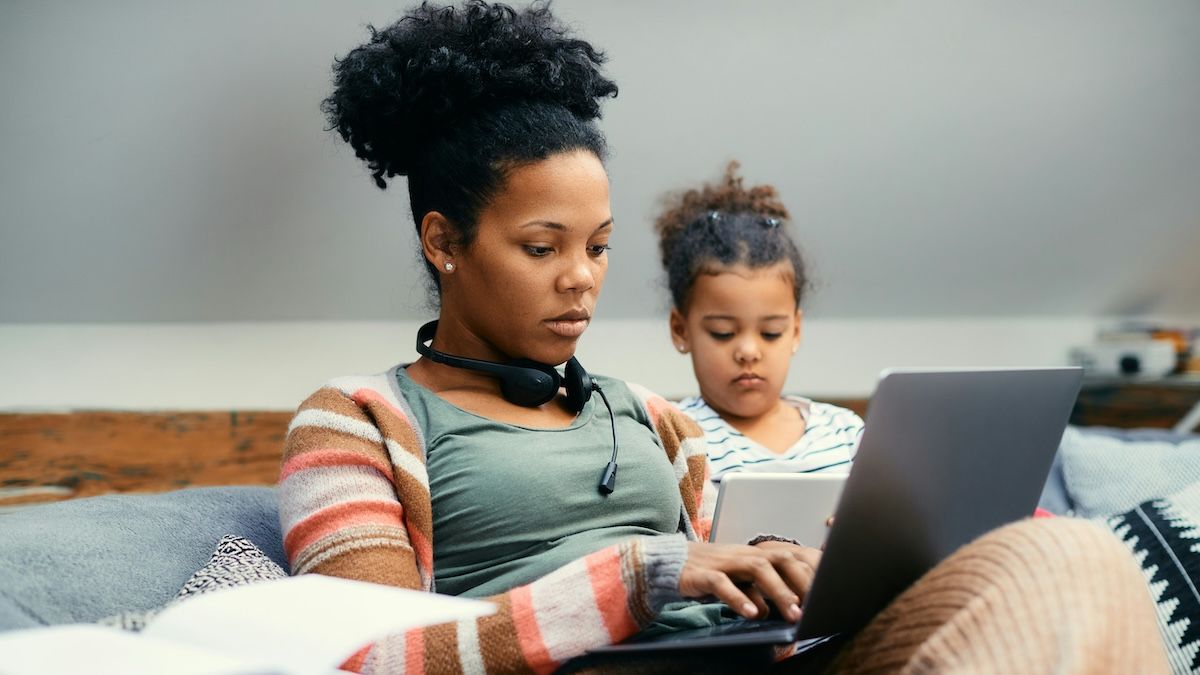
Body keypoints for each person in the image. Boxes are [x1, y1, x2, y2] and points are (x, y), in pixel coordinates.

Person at [279, 2, 1167, 673]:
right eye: (541, 247)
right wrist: (642, 575)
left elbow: (715, 569)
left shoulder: (651, 417)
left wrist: (774, 568)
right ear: (444, 242)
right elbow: (370, 653)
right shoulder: (355, 421)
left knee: (1066, 551)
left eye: (597, 247)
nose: (581, 275)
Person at [654, 165, 862, 483]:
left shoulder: (845, 434)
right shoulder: (674, 436)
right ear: (681, 330)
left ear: (795, 331)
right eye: (723, 333)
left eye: (771, 333)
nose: (749, 352)